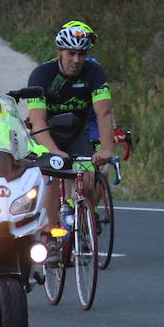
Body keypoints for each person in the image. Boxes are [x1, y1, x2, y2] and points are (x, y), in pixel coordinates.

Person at [24, 21, 115, 243]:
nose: (76, 60)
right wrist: (54, 152)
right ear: (59, 53)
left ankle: (84, 218)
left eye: (81, 54)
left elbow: (104, 113)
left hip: (78, 133)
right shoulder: (42, 75)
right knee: (51, 176)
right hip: (48, 132)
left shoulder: (94, 72)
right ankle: (50, 235)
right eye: (71, 53)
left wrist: (106, 149)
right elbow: (37, 120)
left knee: (90, 177)